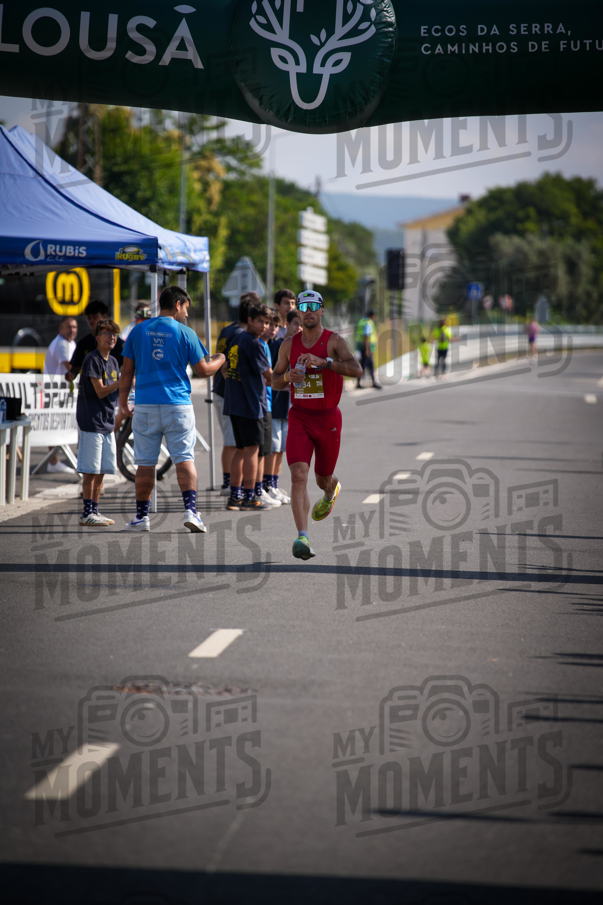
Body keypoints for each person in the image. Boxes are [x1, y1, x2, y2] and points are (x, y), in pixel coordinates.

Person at [119, 285, 225, 532]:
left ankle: (141, 518)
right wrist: (221, 358)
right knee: (184, 458)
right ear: (177, 305)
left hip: (145, 405)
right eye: (186, 308)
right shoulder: (185, 333)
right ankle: (191, 512)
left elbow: (126, 372)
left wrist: (124, 402)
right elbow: (203, 371)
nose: (187, 314)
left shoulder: (138, 330)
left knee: (145, 463)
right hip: (177, 405)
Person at [272, 289, 362, 560]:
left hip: (328, 420)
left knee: (322, 478)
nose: (308, 311)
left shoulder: (333, 341)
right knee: (298, 476)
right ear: (298, 312)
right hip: (299, 416)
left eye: (314, 306)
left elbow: (357, 370)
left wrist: (326, 363)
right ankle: (303, 537)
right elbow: (274, 380)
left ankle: (331, 488)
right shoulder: (289, 344)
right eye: (303, 306)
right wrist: (289, 376)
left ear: (322, 311)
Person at [223, 303, 273, 511]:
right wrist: (290, 378)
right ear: (250, 320)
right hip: (251, 404)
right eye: (260, 320)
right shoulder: (255, 343)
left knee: (241, 449)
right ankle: (250, 497)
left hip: (235, 402)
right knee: (253, 451)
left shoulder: (237, 337)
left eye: (267, 322)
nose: (264, 326)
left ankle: (235, 496)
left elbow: (224, 367)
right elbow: (269, 377)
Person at [75, 319, 121, 526]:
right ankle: (86, 513)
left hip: (107, 422)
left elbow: (115, 391)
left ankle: (95, 510)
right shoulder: (92, 360)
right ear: (97, 338)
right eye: (107, 333)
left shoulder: (113, 362)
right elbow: (100, 390)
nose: (112, 337)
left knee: (102, 470)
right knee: (90, 471)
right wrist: (123, 381)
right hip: (91, 421)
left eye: (114, 334)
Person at [213, 293, 259, 497]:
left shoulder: (227, 329)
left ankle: (229, 483)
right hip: (231, 391)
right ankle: (231, 485)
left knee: (231, 441)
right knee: (235, 443)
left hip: (221, 389)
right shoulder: (242, 335)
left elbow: (217, 356)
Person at [264, 308, 301, 504]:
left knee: (281, 448)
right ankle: (266, 485)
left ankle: (274, 485)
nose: (299, 328)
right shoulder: (277, 345)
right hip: (275, 402)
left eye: (302, 324)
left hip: (290, 405)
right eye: (296, 323)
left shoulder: (302, 347)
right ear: (287, 325)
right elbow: (271, 375)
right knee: (273, 446)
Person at [43, 316, 78, 474]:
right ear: (60, 329)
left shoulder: (70, 343)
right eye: (69, 327)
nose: (72, 330)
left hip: (61, 392)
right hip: (53, 393)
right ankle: (53, 461)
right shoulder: (61, 343)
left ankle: (54, 461)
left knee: (58, 426)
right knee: (55, 426)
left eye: (75, 327)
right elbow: (71, 367)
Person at [66, 300, 125, 381]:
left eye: (95, 316)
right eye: (89, 317)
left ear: (104, 316)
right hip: (90, 391)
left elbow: (129, 367)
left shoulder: (118, 344)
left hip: (112, 390)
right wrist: (70, 375)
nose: (91, 320)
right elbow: (75, 369)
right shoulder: (83, 344)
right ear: (97, 339)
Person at [355, 309, 381, 389]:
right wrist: (367, 350)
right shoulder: (368, 323)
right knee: (365, 366)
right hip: (366, 348)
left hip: (360, 347)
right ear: (372, 315)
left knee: (367, 365)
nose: (375, 317)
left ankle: (369, 382)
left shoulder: (362, 321)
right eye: (375, 316)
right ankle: (361, 383)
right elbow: (366, 336)